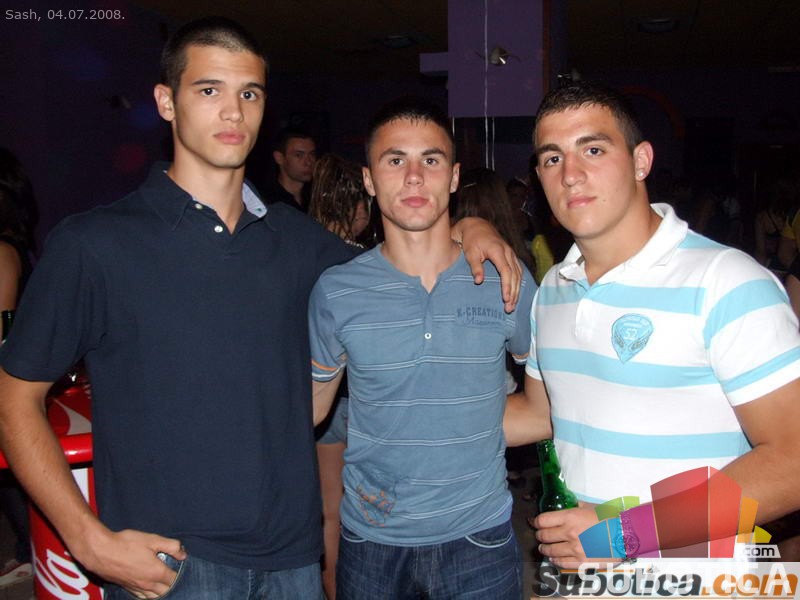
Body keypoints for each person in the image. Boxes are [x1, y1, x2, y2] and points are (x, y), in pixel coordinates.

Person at [0, 17, 522, 600]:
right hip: (169, 566)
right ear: (166, 102)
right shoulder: (96, 245)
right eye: (209, 90)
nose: (233, 111)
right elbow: (13, 398)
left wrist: (470, 226)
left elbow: (403, 252)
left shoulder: (298, 244)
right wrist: (87, 539)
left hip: (292, 564)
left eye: (249, 93)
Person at [505, 81, 800, 568]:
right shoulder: (554, 287)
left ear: (641, 161)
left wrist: (625, 535)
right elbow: (541, 414)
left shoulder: (725, 280)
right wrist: (404, 419)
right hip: (583, 574)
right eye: (552, 158)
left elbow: (791, 461)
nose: (571, 175)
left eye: (593, 150)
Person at [309, 97, 537, 599]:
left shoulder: (505, 278)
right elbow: (310, 411)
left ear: (453, 177)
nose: (414, 177)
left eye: (430, 160)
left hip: (480, 537)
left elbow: (549, 406)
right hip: (371, 541)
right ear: (369, 180)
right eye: (395, 160)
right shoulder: (336, 291)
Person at [307, 153, 374, 599]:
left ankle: (333, 589)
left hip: (318, 392)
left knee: (331, 509)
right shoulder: (362, 262)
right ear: (355, 205)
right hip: (361, 398)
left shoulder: (300, 253)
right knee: (369, 508)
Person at [0, 148, 35, 586]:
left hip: (8, 377)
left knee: (11, 461)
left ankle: (30, 549)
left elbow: (2, 329)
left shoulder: (4, 251)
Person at [265, 127, 317, 211]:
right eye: (299, 155)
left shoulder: (316, 199)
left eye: (312, 154)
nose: (308, 162)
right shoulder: (268, 203)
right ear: (279, 158)